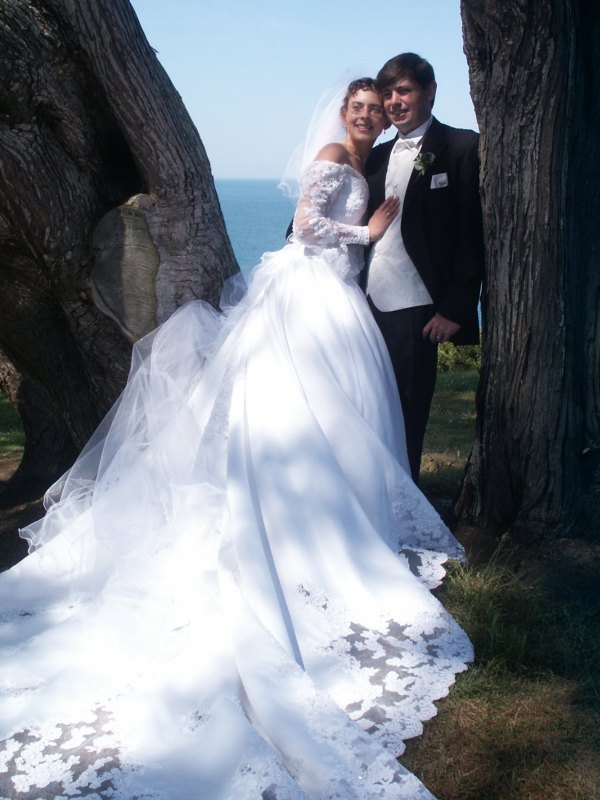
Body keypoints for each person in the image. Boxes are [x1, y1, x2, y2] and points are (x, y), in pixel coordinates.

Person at [0, 79, 472, 800]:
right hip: (310, 294)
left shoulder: (366, 160)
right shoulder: (332, 156)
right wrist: (366, 233)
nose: (369, 117)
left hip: (339, 298)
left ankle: (331, 515)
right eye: (361, 108)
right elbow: (309, 227)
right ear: (345, 111)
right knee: (293, 408)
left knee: (333, 413)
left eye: (377, 110)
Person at [365, 53, 484, 483]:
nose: (395, 101)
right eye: (388, 93)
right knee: (366, 408)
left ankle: (405, 506)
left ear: (429, 92)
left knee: (408, 413)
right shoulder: (376, 158)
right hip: (364, 307)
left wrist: (454, 309)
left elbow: (472, 236)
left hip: (418, 310)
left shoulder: (461, 148)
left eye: (404, 90)